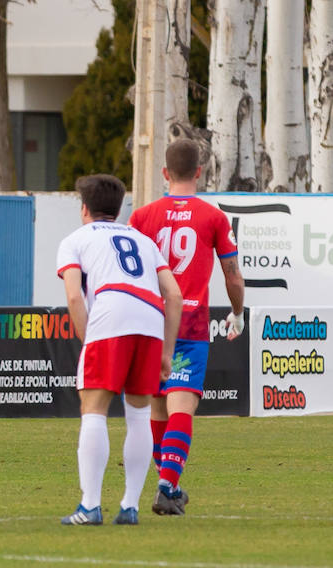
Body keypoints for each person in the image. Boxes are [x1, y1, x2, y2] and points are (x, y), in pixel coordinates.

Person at [127, 139, 244, 516]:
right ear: (199, 172)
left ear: (165, 173)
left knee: (159, 409)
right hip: (190, 323)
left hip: (150, 321)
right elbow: (232, 275)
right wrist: (238, 313)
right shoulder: (213, 217)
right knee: (182, 406)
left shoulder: (142, 217)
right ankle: (166, 486)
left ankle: (169, 486)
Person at [57, 174, 182, 525]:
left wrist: (88, 341)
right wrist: (167, 352)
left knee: (94, 409)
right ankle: (130, 506)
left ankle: (90, 506)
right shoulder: (142, 239)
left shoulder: (75, 239)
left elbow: (73, 295)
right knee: (139, 413)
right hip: (150, 317)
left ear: (84, 209)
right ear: (118, 208)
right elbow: (173, 295)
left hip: (111, 312)